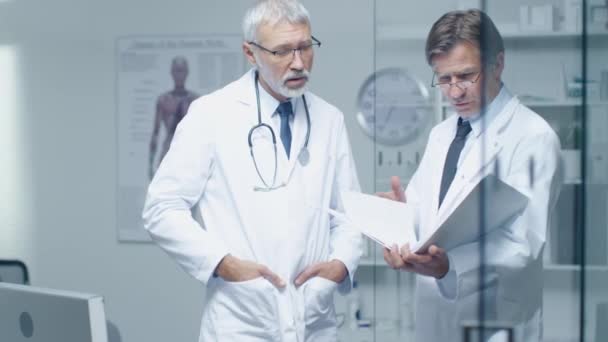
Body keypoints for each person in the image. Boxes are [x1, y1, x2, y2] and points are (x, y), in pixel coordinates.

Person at [142, 1, 362, 341]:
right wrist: (222, 262)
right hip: (242, 320)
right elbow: (161, 209)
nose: (299, 63)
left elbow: (347, 215)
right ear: (250, 53)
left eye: (305, 46)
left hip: (314, 319)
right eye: (282, 52)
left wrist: (340, 266)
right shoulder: (211, 114)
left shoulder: (329, 119)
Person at [380, 9, 562, 342]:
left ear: (498, 64)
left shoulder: (534, 137)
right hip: (434, 318)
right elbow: (428, 218)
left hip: (494, 323)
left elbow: (524, 244)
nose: (454, 92)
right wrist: (397, 217)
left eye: (466, 76)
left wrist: (451, 266)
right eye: (444, 78)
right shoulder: (442, 134)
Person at [148, 56, 199, 179]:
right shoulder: (164, 100)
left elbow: (202, 133)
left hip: (189, 153)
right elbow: (155, 133)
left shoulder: (195, 100)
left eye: (181, 71)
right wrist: (150, 165)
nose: (179, 75)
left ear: (187, 73)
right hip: (168, 151)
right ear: (172, 73)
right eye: (176, 71)